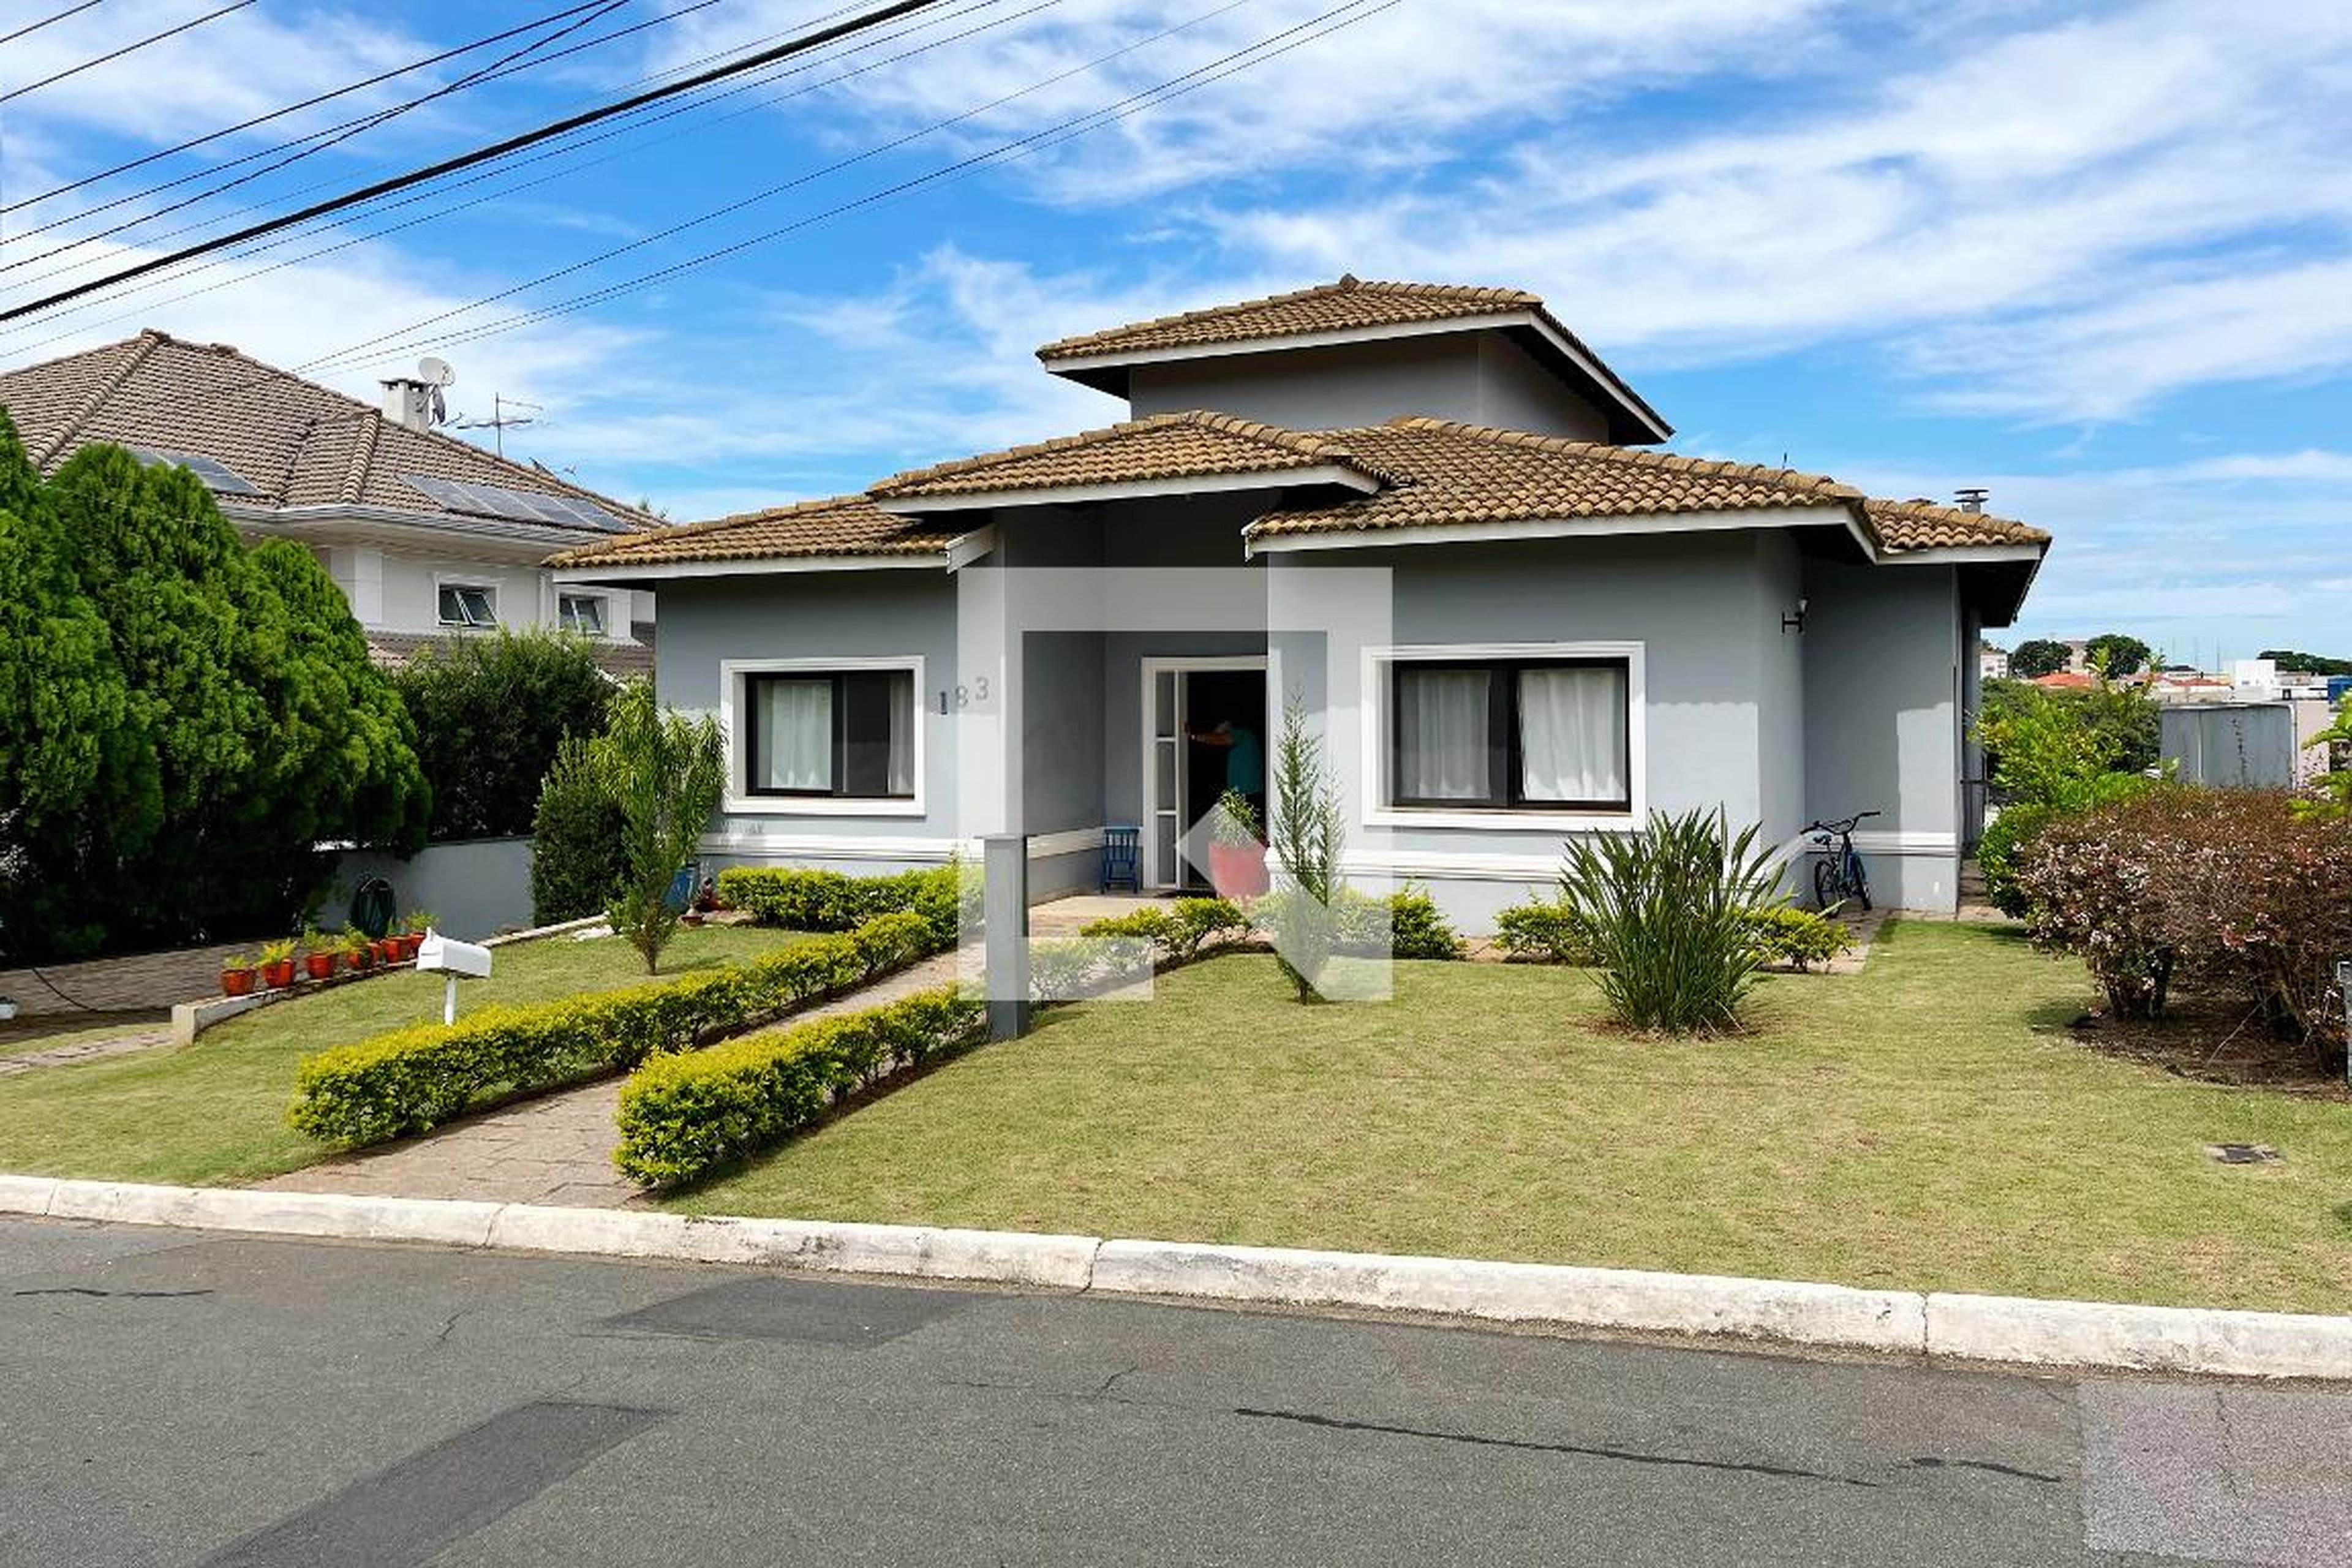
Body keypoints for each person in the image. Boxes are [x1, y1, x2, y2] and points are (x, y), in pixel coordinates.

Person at [1190, 717, 1264, 829]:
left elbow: (1220, 739)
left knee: (1245, 832)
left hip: (1247, 792)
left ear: (1227, 723)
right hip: (1247, 792)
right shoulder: (1246, 735)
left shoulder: (1240, 733)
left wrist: (1194, 737)